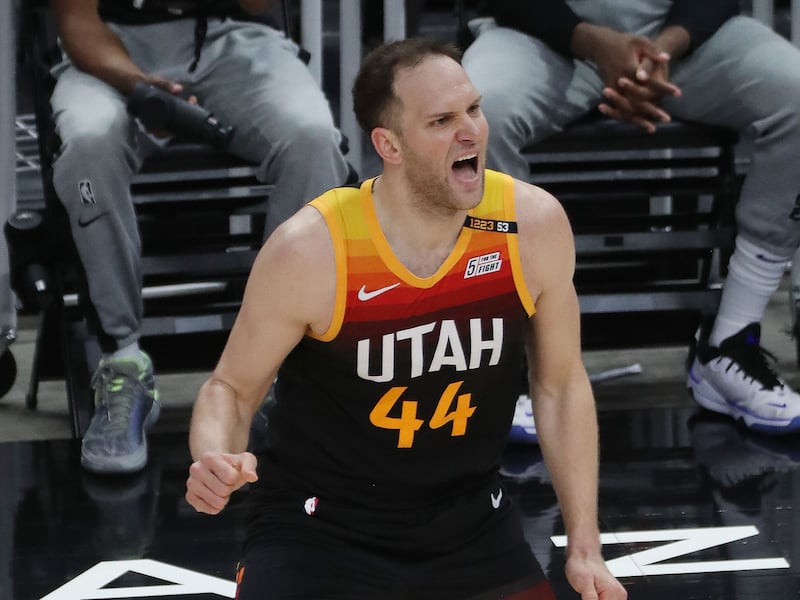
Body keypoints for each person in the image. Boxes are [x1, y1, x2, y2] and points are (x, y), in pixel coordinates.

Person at [185, 37, 626, 600]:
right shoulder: (314, 249)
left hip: (472, 530)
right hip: (321, 533)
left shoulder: (530, 225)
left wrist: (585, 546)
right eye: (442, 120)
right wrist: (215, 457)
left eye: (473, 109)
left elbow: (560, 385)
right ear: (388, 144)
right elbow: (231, 388)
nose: (471, 131)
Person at [462, 0, 800, 435]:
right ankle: (504, 363)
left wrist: (660, 49)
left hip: (677, 47)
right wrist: (593, 41)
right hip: (537, 37)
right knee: (476, 115)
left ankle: (730, 344)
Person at [49, 0, 352, 474]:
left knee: (312, 139)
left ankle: (282, 367)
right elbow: (76, 22)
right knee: (87, 149)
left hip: (230, 39)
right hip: (109, 47)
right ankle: (123, 363)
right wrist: (140, 87)